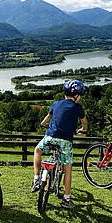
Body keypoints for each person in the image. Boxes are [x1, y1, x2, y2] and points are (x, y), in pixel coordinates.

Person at [31, 80, 88, 209]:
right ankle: (66, 200)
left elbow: (45, 120)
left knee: (37, 151)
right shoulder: (78, 108)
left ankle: (36, 179)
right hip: (65, 141)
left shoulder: (56, 104)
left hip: (50, 137)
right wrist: (83, 130)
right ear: (76, 95)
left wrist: (44, 124)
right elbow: (84, 122)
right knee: (68, 168)